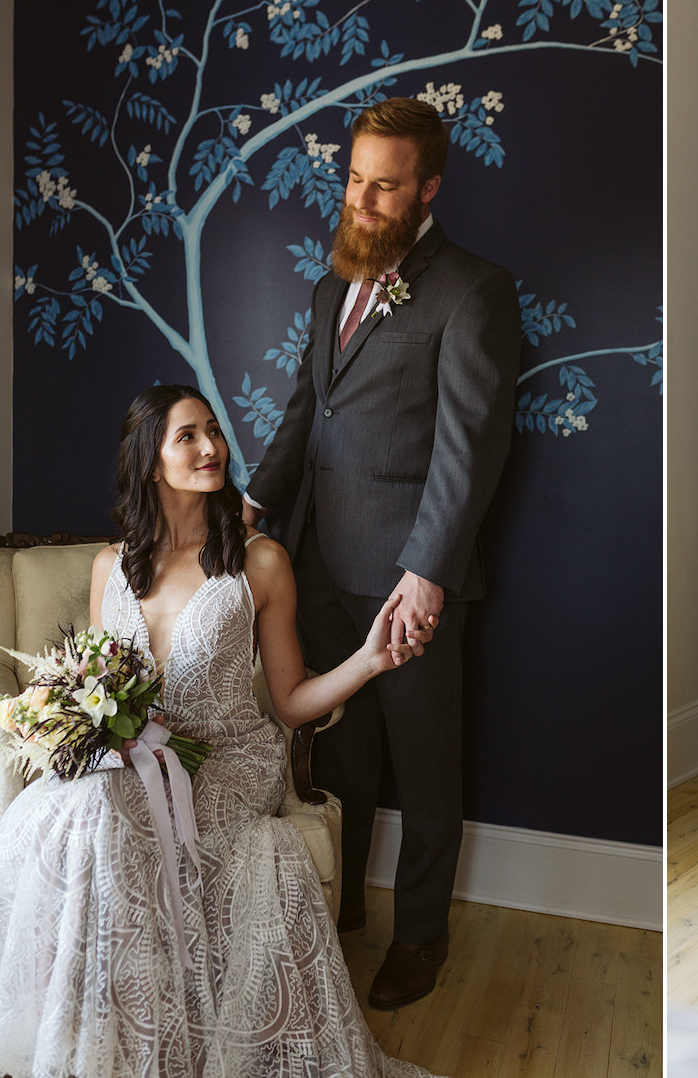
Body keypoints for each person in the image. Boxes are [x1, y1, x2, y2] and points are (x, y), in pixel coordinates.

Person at [0, 386, 441, 1077]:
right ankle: (105, 1043)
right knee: (69, 814)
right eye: (187, 436)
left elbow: (289, 703)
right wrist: (81, 726)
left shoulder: (260, 562)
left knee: (103, 815)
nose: (211, 448)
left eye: (214, 433)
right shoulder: (111, 566)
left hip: (228, 760)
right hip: (133, 762)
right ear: (151, 460)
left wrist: (370, 660)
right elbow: (104, 685)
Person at [243, 96, 522, 1008]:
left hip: (408, 578)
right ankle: (343, 912)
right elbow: (304, 416)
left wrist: (428, 572)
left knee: (428, 761)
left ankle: (420, 938)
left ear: (428, 187)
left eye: (385, 187)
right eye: (355, 180)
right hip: (315, 565)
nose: (362, 201)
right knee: (342, 763)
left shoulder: (472, 288)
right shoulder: (332, 283)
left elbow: (470, 446)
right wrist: (251, 505)